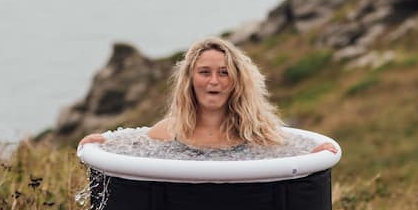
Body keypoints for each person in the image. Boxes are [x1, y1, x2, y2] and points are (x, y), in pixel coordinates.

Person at [79, 36, 337, 154]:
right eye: (204, 72)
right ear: (190, 80)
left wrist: (318, 151)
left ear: (236, 82)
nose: (214, 81)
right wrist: (105, 143)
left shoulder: (259, 135)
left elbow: (292, 152)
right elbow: (133, 145)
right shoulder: (169, 132)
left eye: (224, 73)